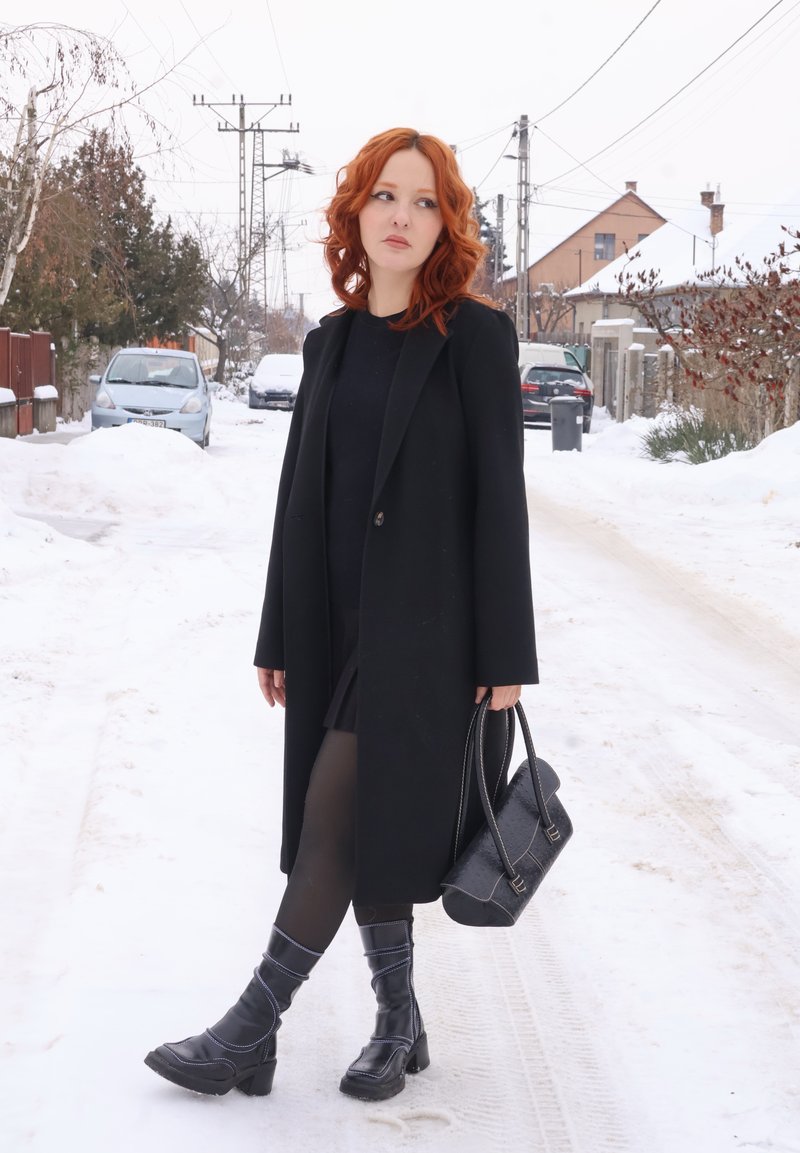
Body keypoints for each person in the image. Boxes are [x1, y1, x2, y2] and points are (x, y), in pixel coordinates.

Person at [145, 127, 538, 1103]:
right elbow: (297, 500)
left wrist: (507, 654)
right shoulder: (329, 343)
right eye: (383, 197)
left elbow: (500, 501)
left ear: (446, 221)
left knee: (335, 811)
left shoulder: (474, 338)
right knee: (365, 823)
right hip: (336, 628)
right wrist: (279, 635)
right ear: (353, 214)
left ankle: (251, 1024)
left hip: (430, 638)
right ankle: (395, 1020)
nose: (399, 217)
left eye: (421, 201)